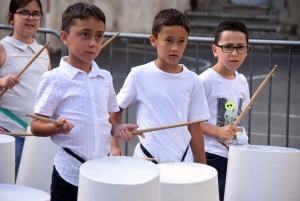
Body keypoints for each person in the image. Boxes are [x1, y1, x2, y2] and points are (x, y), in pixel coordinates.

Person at [30, 3, 142, 201]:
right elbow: (36, 125)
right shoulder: (54, 79)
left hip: (102, 170)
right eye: (85, 34)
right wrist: (57, 128)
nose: (93, 43)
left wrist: (118, 128)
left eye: (99, 36)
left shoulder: (105, 77)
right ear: (65, 37)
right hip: (69, 173)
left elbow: (107, 122)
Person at [111, 8, 210, 164]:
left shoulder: (193, 80)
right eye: (169, 40)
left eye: (181, 41)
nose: (175, 48)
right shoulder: (139, 75)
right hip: (147, 158)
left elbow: (194, 127)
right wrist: (114, 145)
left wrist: (203, 166)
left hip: (183, 160)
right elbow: (116, 108)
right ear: (153, 40)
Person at [199, 20, 250, 201]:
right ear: (215, 50)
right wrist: (218, 131)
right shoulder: (204, 81)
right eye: (227, 47)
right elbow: (189, 121)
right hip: (213, 155)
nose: (234, 53)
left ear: (247, 50)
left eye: (240, 47)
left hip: (238, 153)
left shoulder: (242, 80)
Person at [0, 0, 51, 177]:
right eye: (24, 12)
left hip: (37, 135)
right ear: (11, 18)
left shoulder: (43, 51)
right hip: (9, 131)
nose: (30, 18)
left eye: (36, 14)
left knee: (32, 187)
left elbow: (50, 90)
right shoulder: (2, 47)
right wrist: (1, 81)